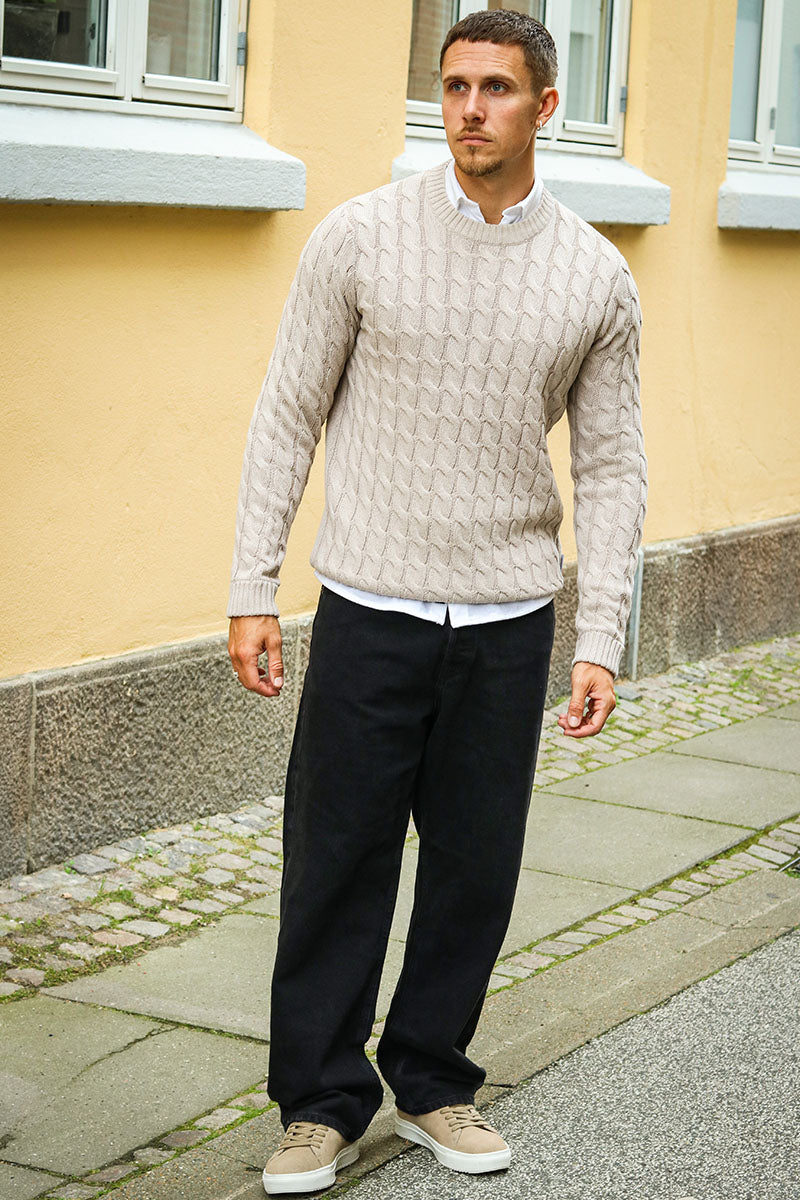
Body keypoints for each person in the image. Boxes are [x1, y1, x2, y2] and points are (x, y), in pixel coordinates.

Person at [227, 9, 647, 1195]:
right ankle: (318, 1105)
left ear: (544, 106)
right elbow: (287, 412)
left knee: (472, 870)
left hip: (506, 624)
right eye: (453, 86)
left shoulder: (593, 273)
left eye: (495, 88)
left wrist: (600, 635)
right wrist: (250, 584)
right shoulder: (359, 238)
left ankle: (430, 1084)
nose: (468, 109)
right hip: (368, 609)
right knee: (336, 865)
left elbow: (612, 466)